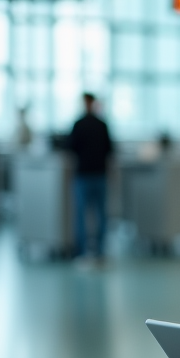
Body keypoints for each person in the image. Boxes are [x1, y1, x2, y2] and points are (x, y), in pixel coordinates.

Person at [68, 93, 113, 262]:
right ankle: (100, 251)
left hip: (84, 174)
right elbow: (110, 150)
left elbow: (71, 147)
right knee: (100, 213)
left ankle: (82, 251)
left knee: (82, 214)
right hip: (99, 174)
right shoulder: (102, 125)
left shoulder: (79, 124)